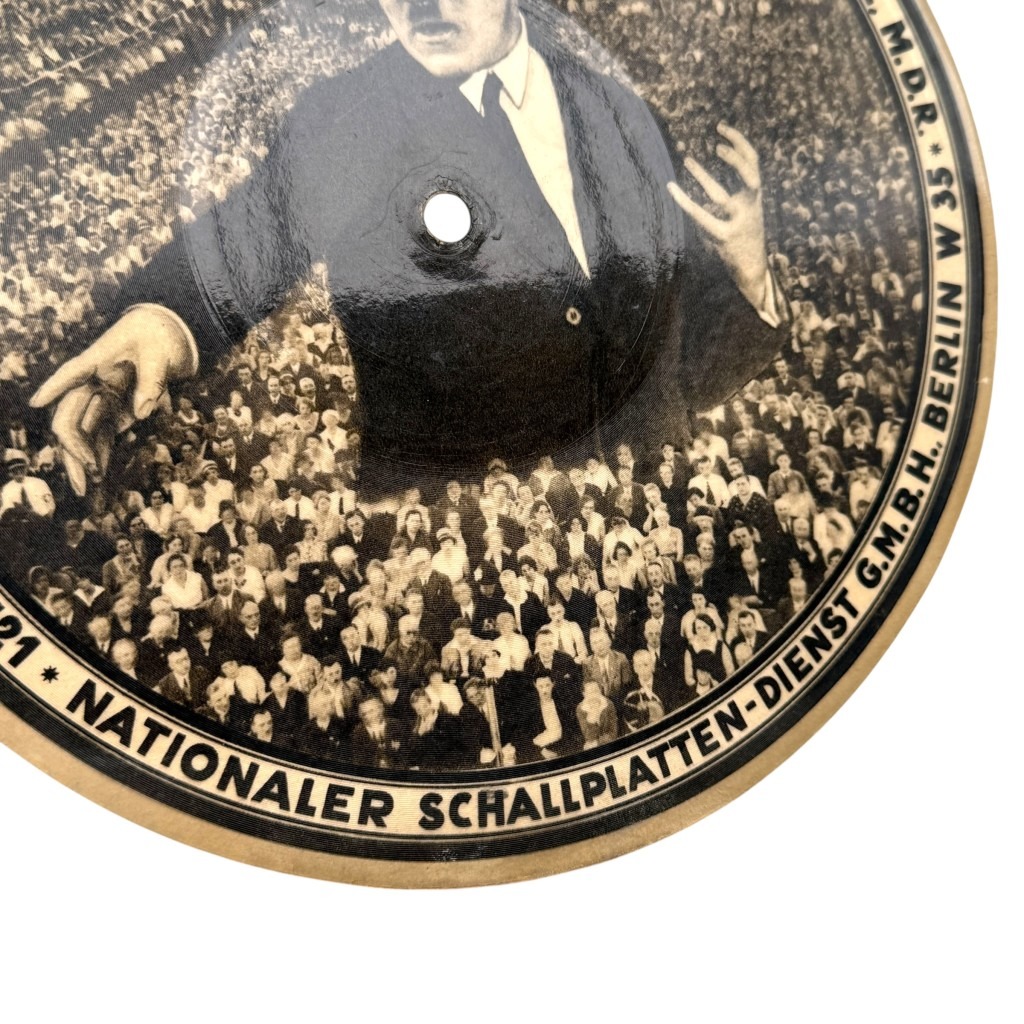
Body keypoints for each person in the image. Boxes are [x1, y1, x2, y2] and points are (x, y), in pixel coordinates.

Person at [30, 0, 784, 497]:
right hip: (478, 552)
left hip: (656, 517)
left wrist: (747, 270)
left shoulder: (615, 108)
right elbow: (250, 234)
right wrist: (160, 323)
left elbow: (682, 359)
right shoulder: (345, 119)